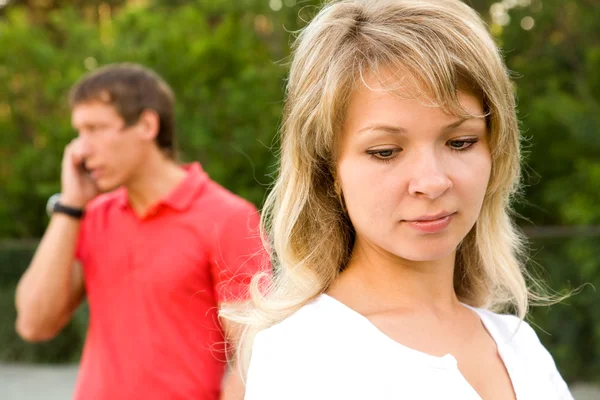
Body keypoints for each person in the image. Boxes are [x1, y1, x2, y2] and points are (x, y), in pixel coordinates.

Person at [220, 1, 574, 399]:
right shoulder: (306, 354)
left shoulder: (518, 344)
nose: (432, 182)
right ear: (328, 168)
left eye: (460, 142)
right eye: (385, 151)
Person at [15, 63, 266, 400]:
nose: (80, 149)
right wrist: (70, 206)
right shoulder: (92, 216)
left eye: (96, 128)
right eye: (79, 131)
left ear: (147, 124)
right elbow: (34, 323)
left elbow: (255, 357)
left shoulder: (228, 218)